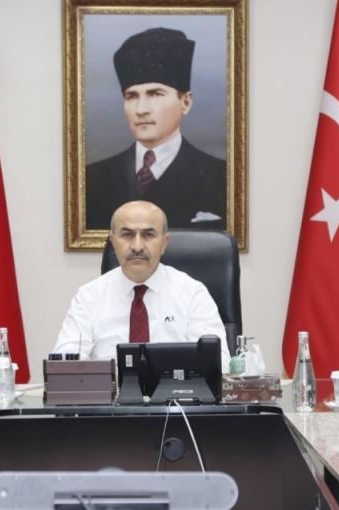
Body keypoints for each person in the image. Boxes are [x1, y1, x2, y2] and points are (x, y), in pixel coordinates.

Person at [55, 200, 231, 371]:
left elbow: (219, 364)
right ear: (113, 241)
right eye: (127, 235)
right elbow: (64, 365)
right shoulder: (89, 297)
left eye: (148, 235)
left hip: (176, 390)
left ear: (164, 243)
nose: (137, 246)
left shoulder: (192, 293)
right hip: (109, 391)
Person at [85, 27, 227, 231]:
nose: (141, 109)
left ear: (185, 102)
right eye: (131, 96)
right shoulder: (92, 179)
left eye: (155, 94)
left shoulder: (222, 178)